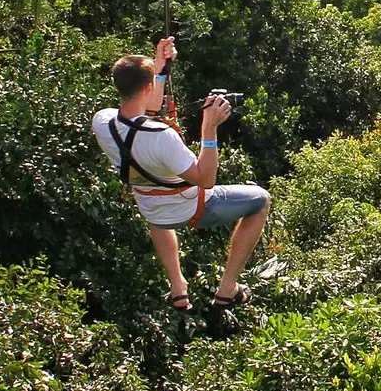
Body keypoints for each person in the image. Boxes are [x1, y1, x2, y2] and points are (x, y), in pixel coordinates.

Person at [92, 36, 269, 312]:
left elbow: (145, 111)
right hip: (189, 208)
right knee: (261, 199)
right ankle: (227, 289)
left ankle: (178, 288)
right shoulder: (162, 137)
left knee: (156, 205)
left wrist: (159, 68)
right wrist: (208, 130)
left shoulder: (103, 121)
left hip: (150, 207)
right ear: (148, 86)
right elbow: (205, 179)